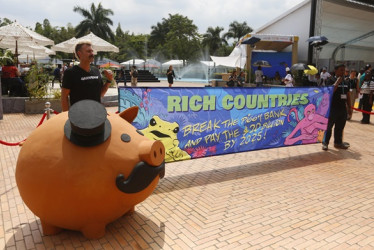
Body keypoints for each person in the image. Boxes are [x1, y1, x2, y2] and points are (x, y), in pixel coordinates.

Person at [61, 40, 113, 112]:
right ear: (79, 53)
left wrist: (109, 81)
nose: (92, 54)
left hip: (96, 115)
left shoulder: (96, 70)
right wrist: (66, 116)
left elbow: (100, 94)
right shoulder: (70, 72)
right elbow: (64, 97)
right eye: (88, 51)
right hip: (79, 116)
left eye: (92, 51)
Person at [322, 64, 351, 151]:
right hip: (332, 109)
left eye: (344, 70)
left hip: (342, 109)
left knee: (340, 127)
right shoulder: (330, 80)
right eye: (341, 70)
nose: (343, 72)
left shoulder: (346, 81)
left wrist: (349, 107)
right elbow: (329, 93)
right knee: (328, 127)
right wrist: (337, 83)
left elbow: (348, 95)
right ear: (336, 71)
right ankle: (325, 143)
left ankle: (338, 143)